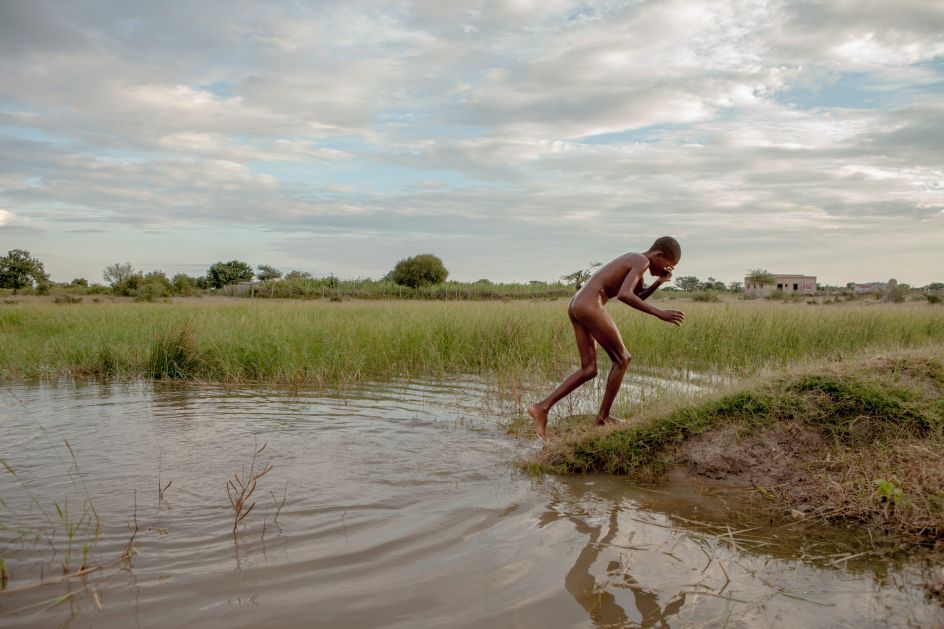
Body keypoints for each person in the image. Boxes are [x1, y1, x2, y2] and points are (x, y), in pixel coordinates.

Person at [527, 236, 684, 438]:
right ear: (659, 255)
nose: (668, 270)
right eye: (669, 265)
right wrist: (660, 313)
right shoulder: (641, 261)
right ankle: (602, 419)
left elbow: (636, 294)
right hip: (590, 304)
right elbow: (626, 296)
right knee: (623, 359)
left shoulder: (636, 261)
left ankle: (542, 408)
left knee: (589, 369)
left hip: (577, 305)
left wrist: (659, 282)